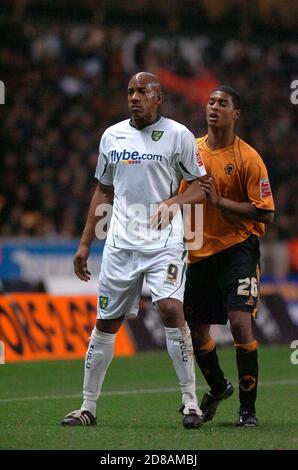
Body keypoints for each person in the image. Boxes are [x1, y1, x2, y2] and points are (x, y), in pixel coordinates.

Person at [61, 72, 207, 428]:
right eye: (130, 91)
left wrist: (174, 201)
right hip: (121, 244)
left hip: (165, 242)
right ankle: (88, 407)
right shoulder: (112, 136)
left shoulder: (179, 135)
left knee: (172, 310)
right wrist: (85, 243)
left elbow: (203, 187)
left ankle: (190, 403)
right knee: (106, 322)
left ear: (159, 97)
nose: (135, 97)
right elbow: (103, 191)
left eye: (143, 91)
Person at [180, 85, 275, 427]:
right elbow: (182, 195)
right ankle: (219, 387)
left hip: (238, 248)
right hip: (199, 253)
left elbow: (266, 214)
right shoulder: (191, 151)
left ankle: (247, 410)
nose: (214, 107)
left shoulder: (248, 158)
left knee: (239, 322)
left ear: (236, 114)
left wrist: (220, 203)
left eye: (223, 103)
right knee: (197, 329)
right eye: (210, 101)